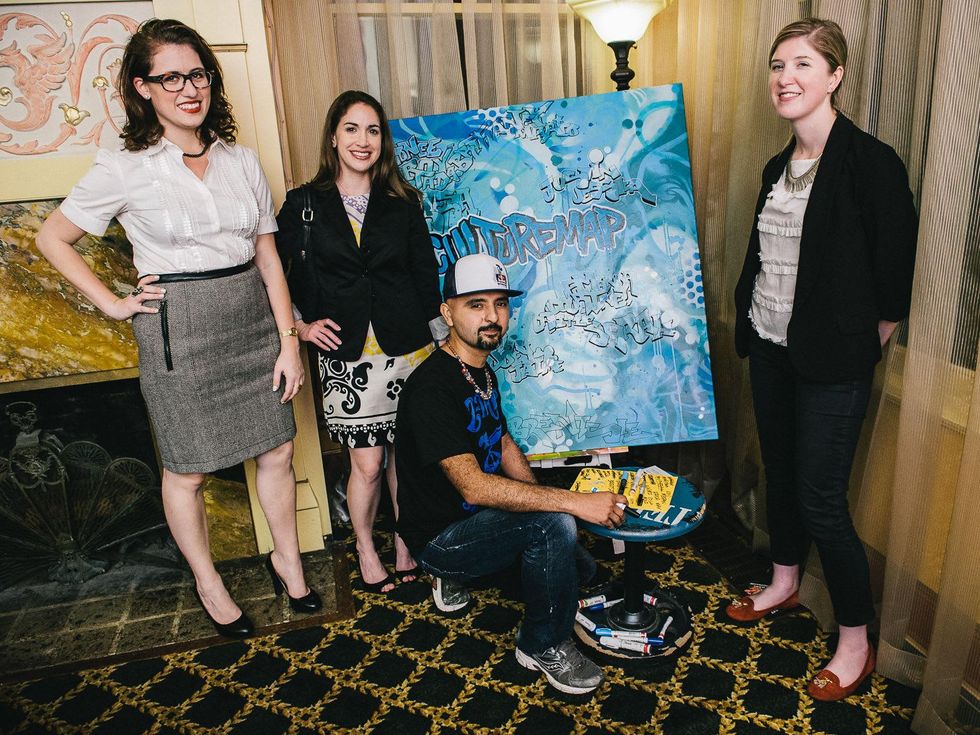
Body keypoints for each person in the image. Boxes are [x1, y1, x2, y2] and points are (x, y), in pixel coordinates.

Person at [35, 18, 321, 638]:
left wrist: (288, 342)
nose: (189, 89)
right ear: (143, 87)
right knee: (187, 469)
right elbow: (52, 237)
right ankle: (208, 581)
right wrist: (111, 304)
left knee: (277, 447)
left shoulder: (241, 161)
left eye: (197, 74)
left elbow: (270, 260)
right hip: (178, 333)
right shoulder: (123, 167)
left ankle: (288, 558)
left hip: (251, 317)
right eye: (171, 78)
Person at [729, 18, 917, 701]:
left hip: (832, 363)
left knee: (821, 498)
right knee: (780, 472)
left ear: (834, 76)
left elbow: (894, 281)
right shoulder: (775, 167)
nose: (785, 77)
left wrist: (859, 348)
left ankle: (857, 638)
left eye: (803, 64)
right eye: (778, 64)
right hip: (771, 348)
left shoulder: (872, 163)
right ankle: (783, 579)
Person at [395, 253, 627, 695]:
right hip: (439, 538)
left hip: (478, 520)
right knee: (555, 524)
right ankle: (541, 645)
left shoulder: (481, 371)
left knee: (583, 568)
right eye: (476, 304)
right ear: (447, 313)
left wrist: (546, 513)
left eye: (500, 303)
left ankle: (542, 546)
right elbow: (474, 485)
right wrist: (567, 509)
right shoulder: (430, 388)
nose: (493, 316)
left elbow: (501, 444)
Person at [276, 91, 445, 594]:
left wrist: (442, 346)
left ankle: (405, 545)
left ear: (383, 141)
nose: (362, 141)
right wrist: (302, 328)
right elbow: (274, 275)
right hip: (347, 354)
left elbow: (424, 275)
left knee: (405, 457)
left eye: (372, 131)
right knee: (368, 463)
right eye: (351, 129)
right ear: (333, 136)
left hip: (409, 347)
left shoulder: (403, 202)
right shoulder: (304, 203)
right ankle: (366, 546)